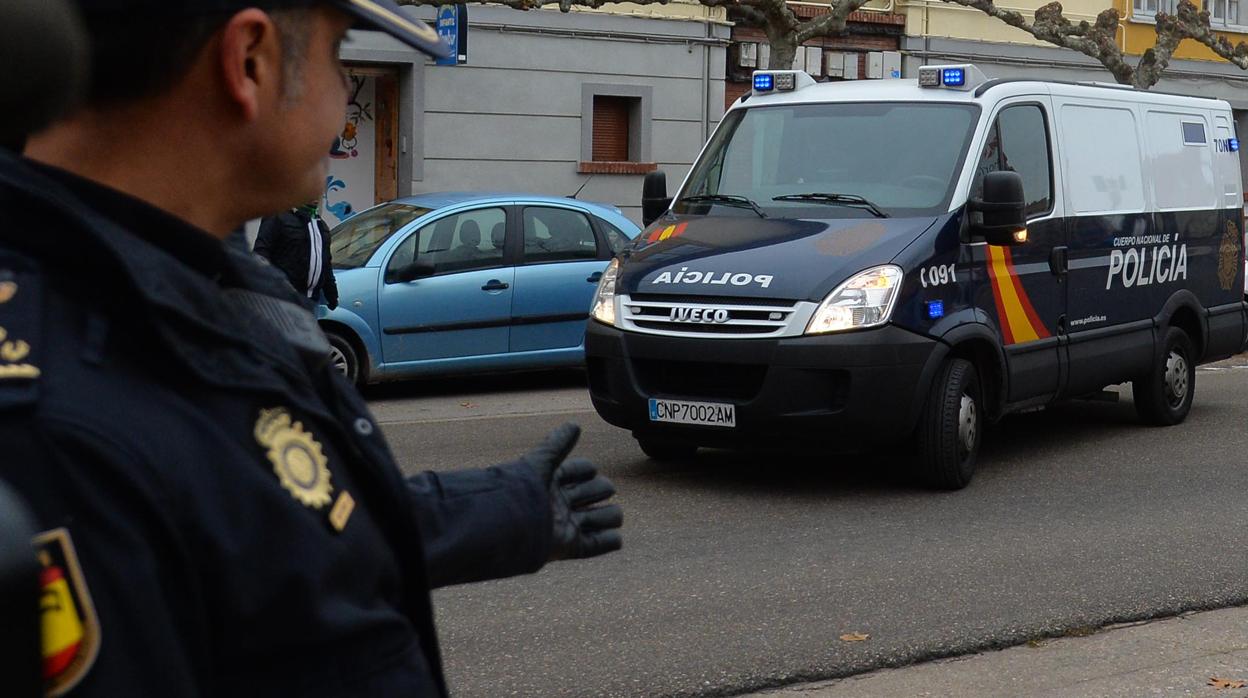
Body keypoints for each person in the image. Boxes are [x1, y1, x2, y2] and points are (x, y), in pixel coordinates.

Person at [0, 1, 622, 696]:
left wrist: (496, 510)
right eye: (337, 56)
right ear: (250, 63)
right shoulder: (57, 421)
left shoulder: (178, 286)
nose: (342, 101)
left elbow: (257, 527)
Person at [254, 201, 340, 309]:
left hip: (312, 302)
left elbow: (326, 264)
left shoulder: (321, 225)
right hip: (282, 300)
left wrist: (332, 295)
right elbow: (261, 255)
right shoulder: (277, 217)